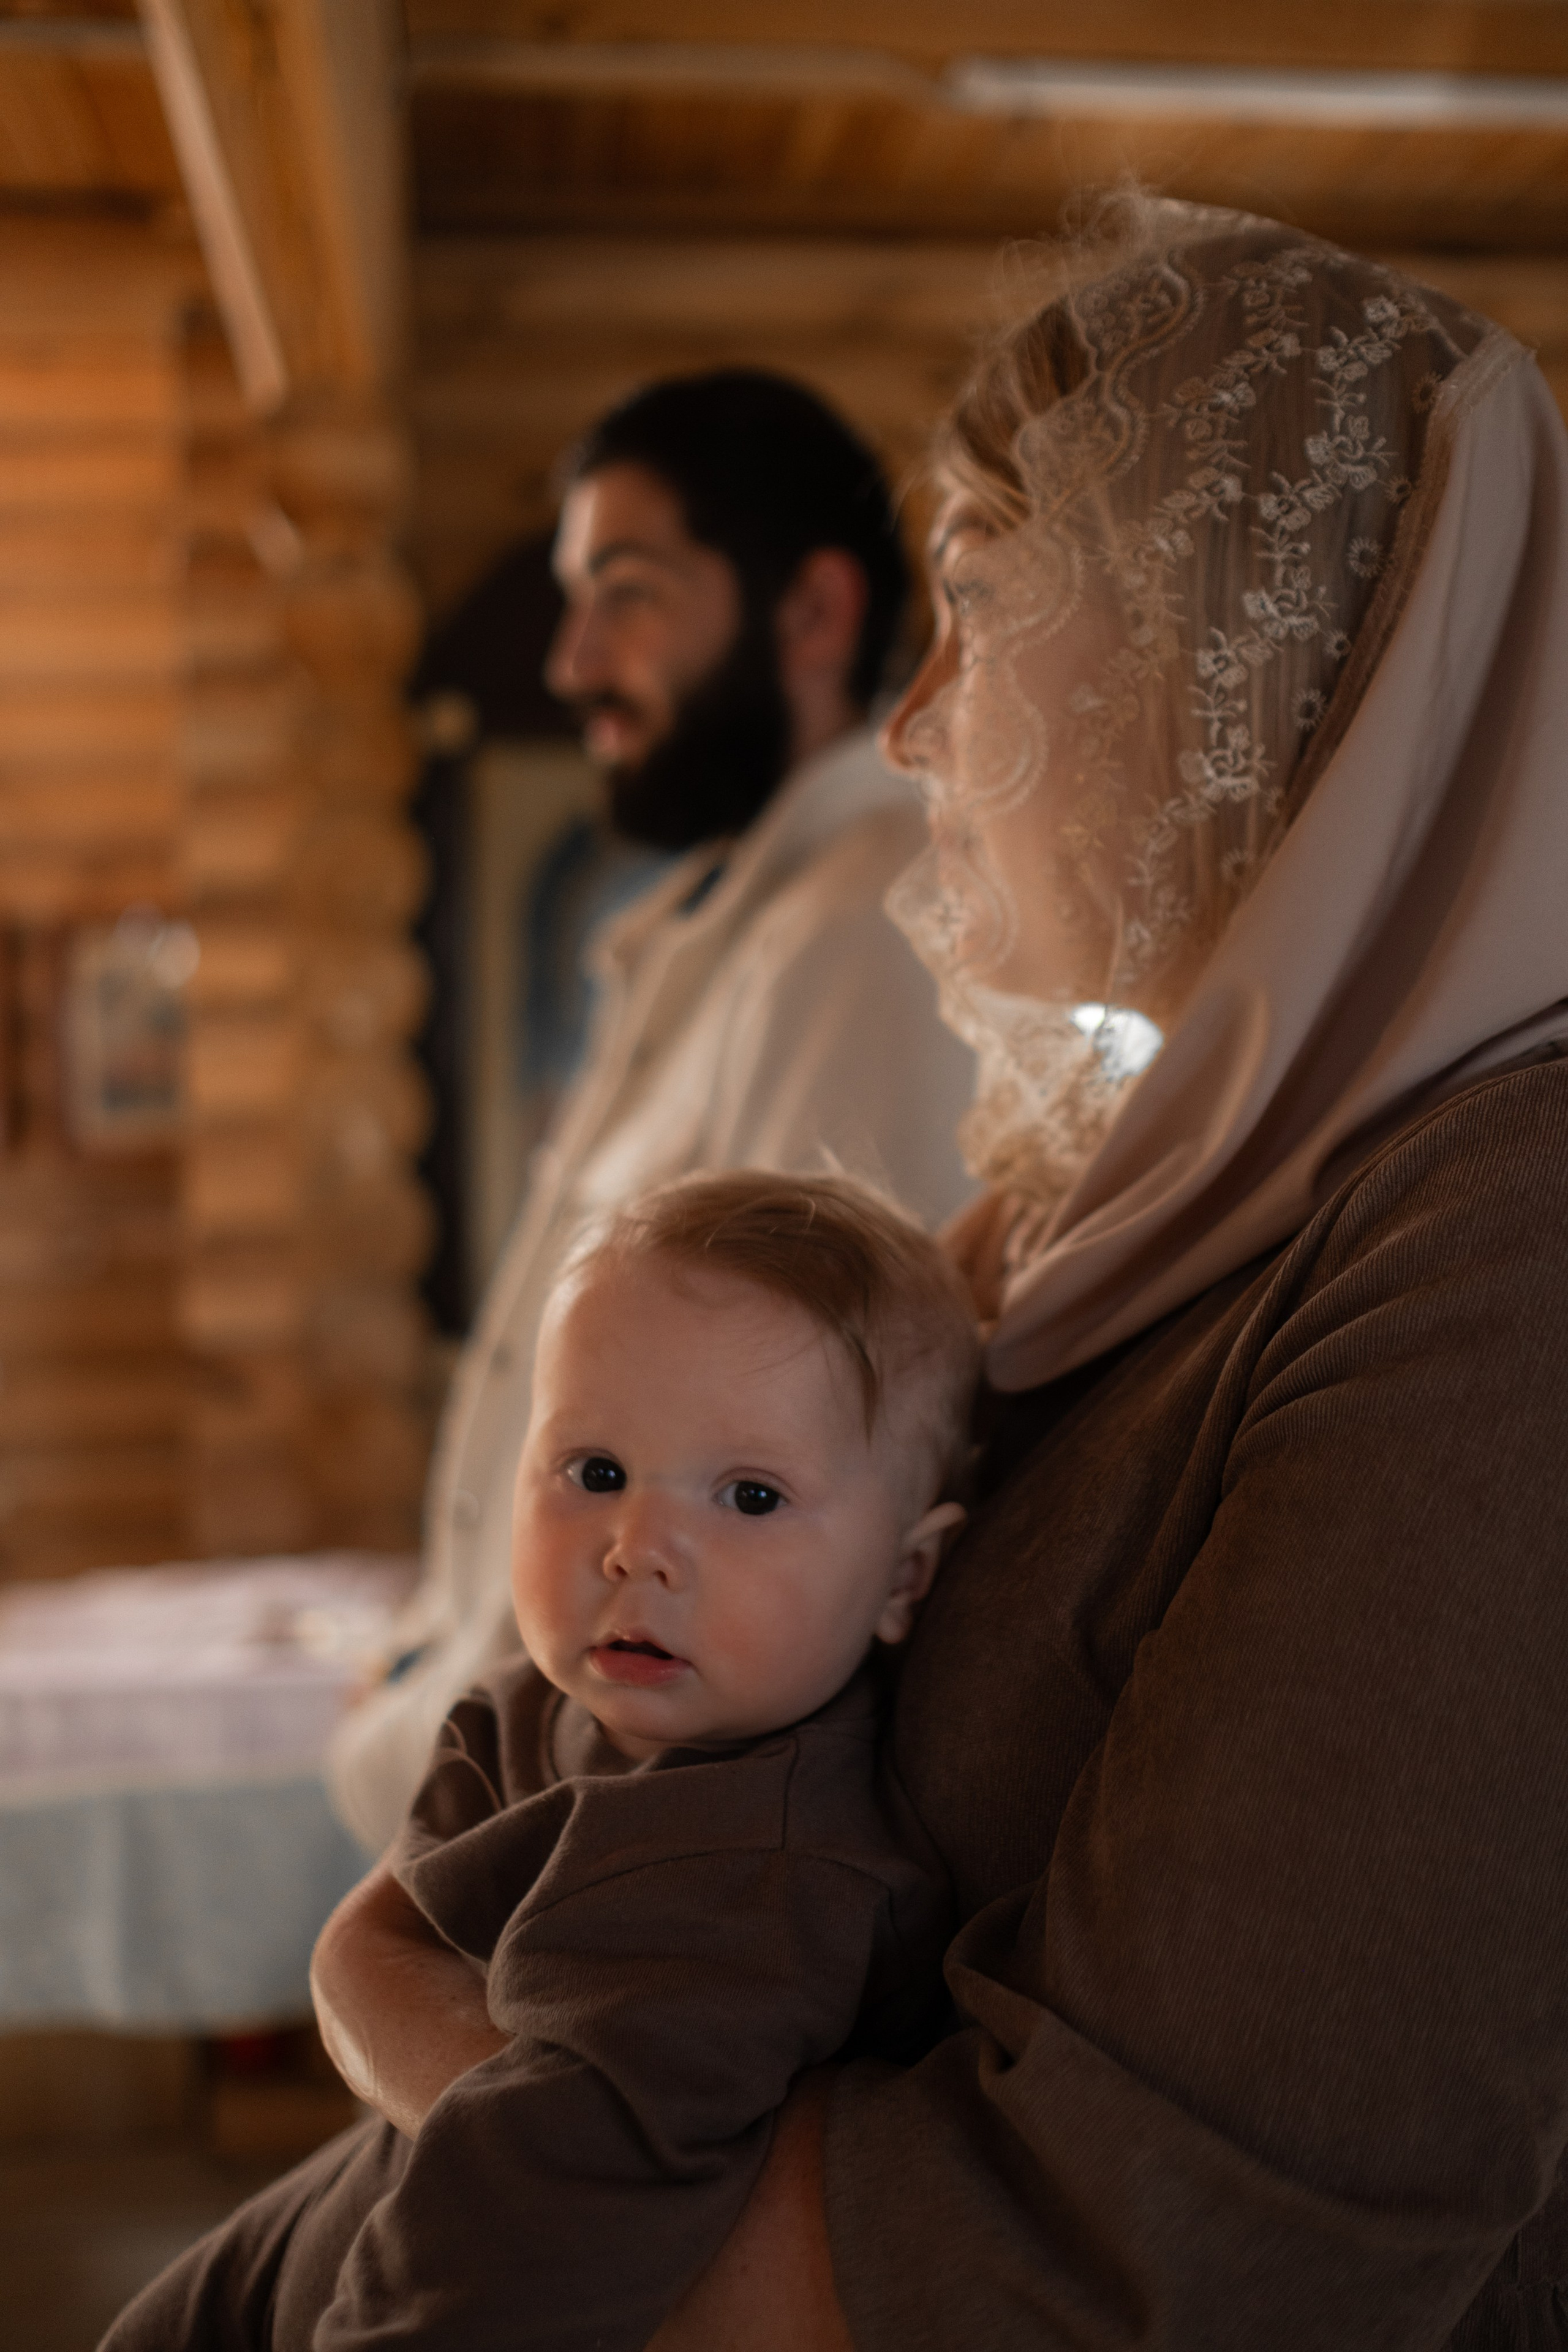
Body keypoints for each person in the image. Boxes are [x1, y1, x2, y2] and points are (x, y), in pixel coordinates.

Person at [635, 202, 1568, 2346]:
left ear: (1240, 641)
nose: (915, 727)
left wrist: (447, 2063)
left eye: (976, 595)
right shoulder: (1095, 1199)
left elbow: (1145, 2263)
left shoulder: (1514, 1244)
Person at [99, 1174, 976, 2351]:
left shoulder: (760, 1877)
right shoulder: (527, 1705)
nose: (637, 1550)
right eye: (597, 1472)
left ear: (903, 1580)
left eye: (751, 1496)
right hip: (343, 2209)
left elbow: (529, 2241)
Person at [329, 371, 978, 1853]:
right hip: (510, 1759)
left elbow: (807, 1450)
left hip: (609, 1825)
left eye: (625, 594)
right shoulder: (730, 915)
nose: (570, 662)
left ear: (811, 612)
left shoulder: (860, 932)